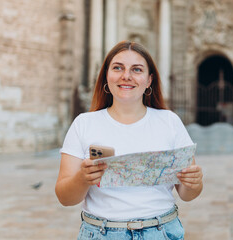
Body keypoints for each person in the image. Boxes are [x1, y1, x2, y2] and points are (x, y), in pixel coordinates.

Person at [55, 40, 203, 240]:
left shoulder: (169, 122)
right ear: (107, 75)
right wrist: (82, 178)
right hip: (101, 234)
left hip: (161, 232)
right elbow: (65, 198)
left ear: (149, 80)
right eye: (118, 68)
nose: (126, 76)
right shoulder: (84, 124)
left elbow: (187, 194)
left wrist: (193, 183)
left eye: (137, 69)